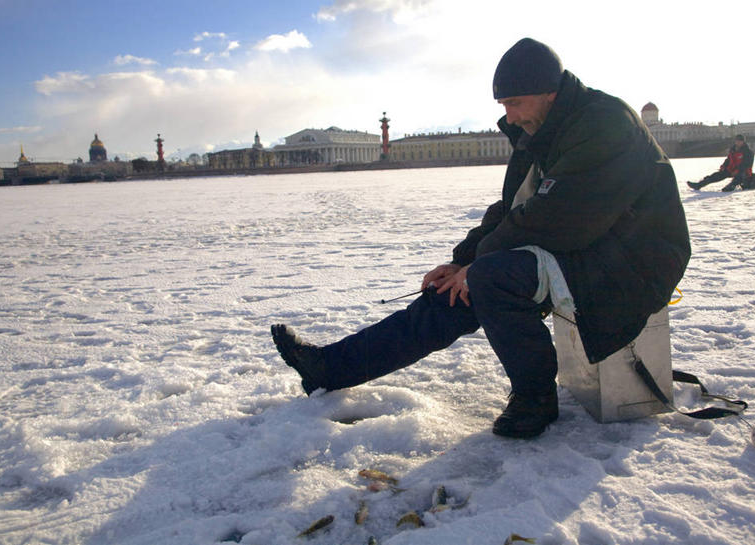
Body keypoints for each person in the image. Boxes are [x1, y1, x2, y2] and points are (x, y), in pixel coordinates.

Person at [271, 38, 691, 439]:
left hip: (632, 260)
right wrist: (462, 261)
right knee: (455, 290)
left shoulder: (604, 123)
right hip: (586, 247)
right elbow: (514, 208)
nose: (509, 116)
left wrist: (478, 265)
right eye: (504, 105)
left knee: (490, 277)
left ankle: (535, 398)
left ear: (549, 92)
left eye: (514, 103)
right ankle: (332, 367)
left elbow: (562, 216)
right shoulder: (545, 128)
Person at [687, 134, 755, 191]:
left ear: (743, 142)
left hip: (743, 172)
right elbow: (728, 160)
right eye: (737, 141)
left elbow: (746, 165)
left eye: (740, 141)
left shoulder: (748, 152)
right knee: (715, 175)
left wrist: (737, 171)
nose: (738, 142)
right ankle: (698, 185)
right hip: (731, 170)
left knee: (738, 177)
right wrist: (723, 166)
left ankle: (730, 187)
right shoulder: (733, 150)